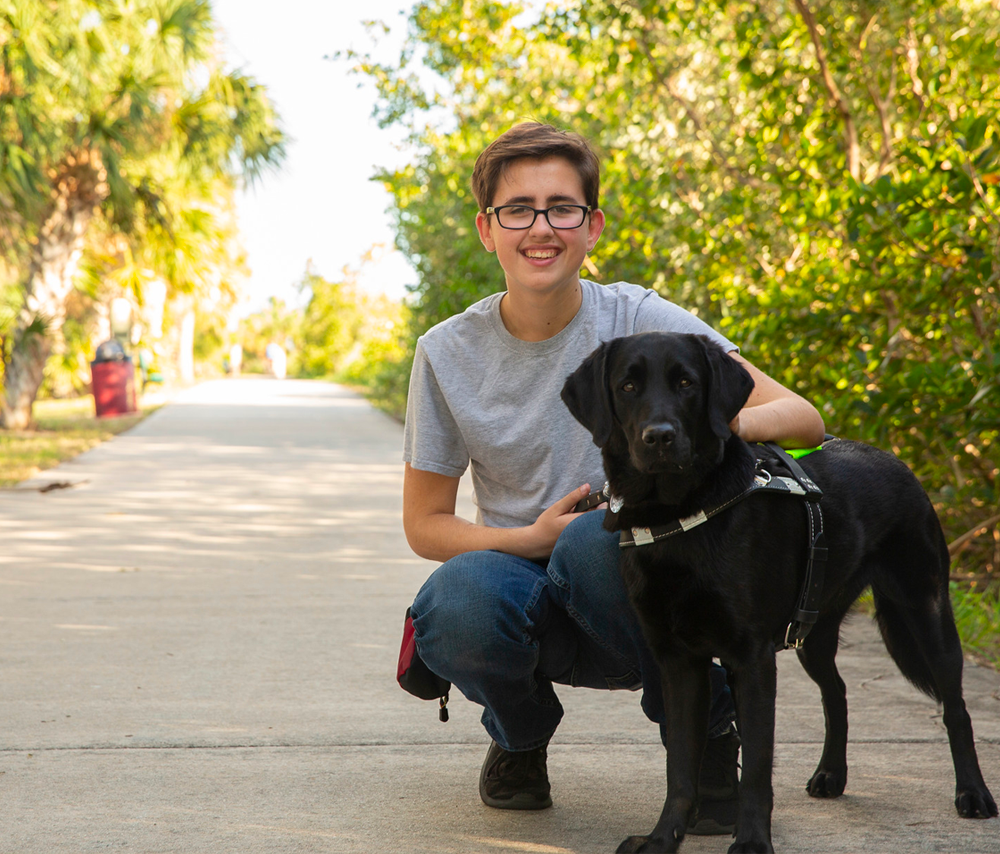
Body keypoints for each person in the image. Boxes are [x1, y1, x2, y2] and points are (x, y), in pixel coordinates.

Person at [401, 122, 825, 831]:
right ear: (486, 228)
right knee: (455, 604)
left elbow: (803, 419)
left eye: (562, 208)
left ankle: (710, 737)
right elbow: (424, 525)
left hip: (654, 588)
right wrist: (533, 537)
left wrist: (712, 428)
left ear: (591, 226)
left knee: (596, 544)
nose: (541, 228)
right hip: (529, 594)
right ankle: (520, 740)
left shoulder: (638, 318)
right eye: (518, 209)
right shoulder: (446, 353)